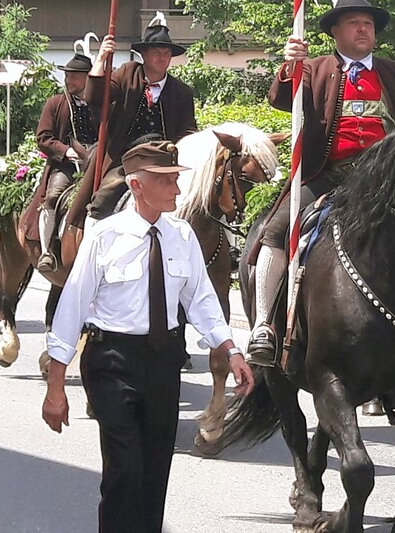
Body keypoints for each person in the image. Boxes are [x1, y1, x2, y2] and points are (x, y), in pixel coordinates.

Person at [42, 140, 254, 533]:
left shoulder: (183, 235)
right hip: (112, 363)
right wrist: (57, 387)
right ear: (137, 185)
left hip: (163, 363)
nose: (177, 188)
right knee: (124, 470)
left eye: (176, 178)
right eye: (167, 180)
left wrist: (231, 349)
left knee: (155, 473)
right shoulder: (105, 236)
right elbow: (71, 308)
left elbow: (202, 300)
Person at [246, 0, 395, 366]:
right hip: (327, 175)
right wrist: (289, 67)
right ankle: (263, 323)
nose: (363, 30)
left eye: (369, 24)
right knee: (276, 231)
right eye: (355, 23)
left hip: (385, 182)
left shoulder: (393, 72)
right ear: (336, 31)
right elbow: (280, 99)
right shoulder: (315, 68)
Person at [71, 12, 196, 230]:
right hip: (127, 158)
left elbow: (188, 131)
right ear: (144, 55)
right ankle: (91, 242)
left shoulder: (182, 91)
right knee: (104, 199)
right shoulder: (127, 73)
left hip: (166, 159)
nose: (162, 57)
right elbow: (96, 97)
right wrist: (100, 59)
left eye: (166, 53)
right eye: (156, 52)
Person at [33, 48, 99, 273]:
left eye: (73, 76)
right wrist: (65, 151)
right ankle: (46, 251)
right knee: (52, 197)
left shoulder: (100, 104)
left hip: (98, 162)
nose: (68, 80)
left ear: (87, 78)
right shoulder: (55, 103)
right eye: (67, 75)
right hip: (67, 165)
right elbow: (43, 138)